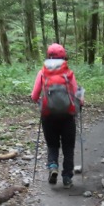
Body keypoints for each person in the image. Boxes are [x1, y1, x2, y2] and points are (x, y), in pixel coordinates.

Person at [30, 43, 83, 188]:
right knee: (68, 147)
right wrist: (80, 104)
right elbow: (78, 93)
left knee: (52, 145)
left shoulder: (42, 73)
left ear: (48, 56)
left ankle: (53, 167)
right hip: (67, 116)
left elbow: (34, 96)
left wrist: (41, 101)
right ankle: (67, 178)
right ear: (64, 56)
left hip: (48, 116)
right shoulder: (68, 73)